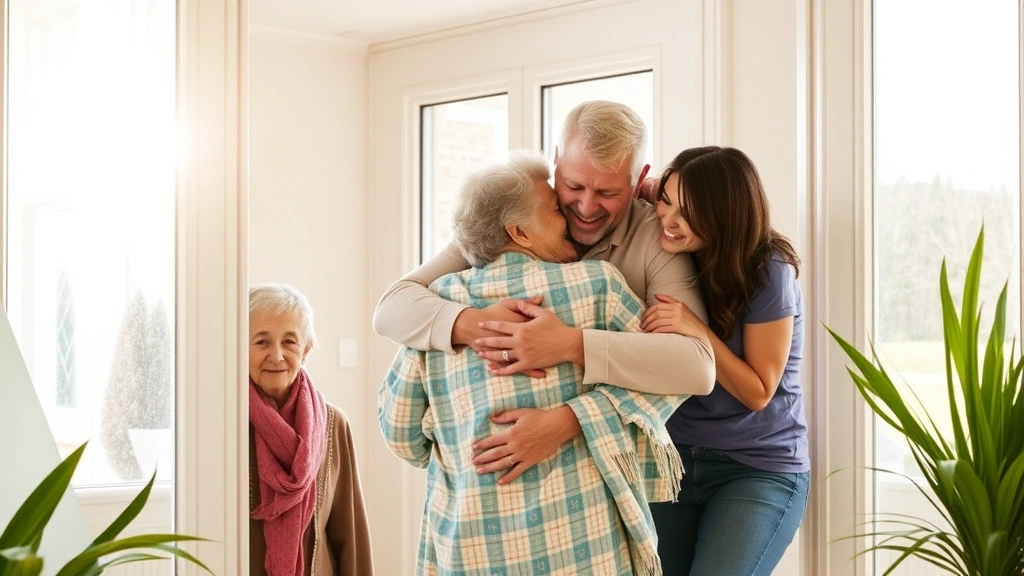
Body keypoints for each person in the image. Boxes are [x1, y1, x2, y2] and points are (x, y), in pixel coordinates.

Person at [378, 151, 690, 575]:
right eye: (555, 210)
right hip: (588, 543)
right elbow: (668, 377)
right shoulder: (596, 284)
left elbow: (399, 431)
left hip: (473, 545)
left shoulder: (437, 304)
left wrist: (454, 444)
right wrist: (588, 417)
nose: (569, 215)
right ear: (520, 232)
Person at [373, 101, 715, 477]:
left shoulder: (656, 239)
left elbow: (695, 365)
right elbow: (391, 308)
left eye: (607, 193)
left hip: (607, 469)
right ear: (557, 162)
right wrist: (478, 325)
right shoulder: (513, 219)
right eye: (573, 185)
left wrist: (570, 385)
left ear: (638, 181)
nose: (585, 207)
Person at [643, 146, 809, 576]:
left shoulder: (769, 271)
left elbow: (758, 392)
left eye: (690, 212)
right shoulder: (670, 241)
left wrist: (697, 330)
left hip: (756, 468)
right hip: (673, 460)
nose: (669, 220)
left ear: (725, 215)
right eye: (667, 201)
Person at [248, 283, 374, 576]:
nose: (277, 356)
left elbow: (350, 538)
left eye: (289, 342)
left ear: (306, 349)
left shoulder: (332, 425)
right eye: (262, 342)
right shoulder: (226, 423)